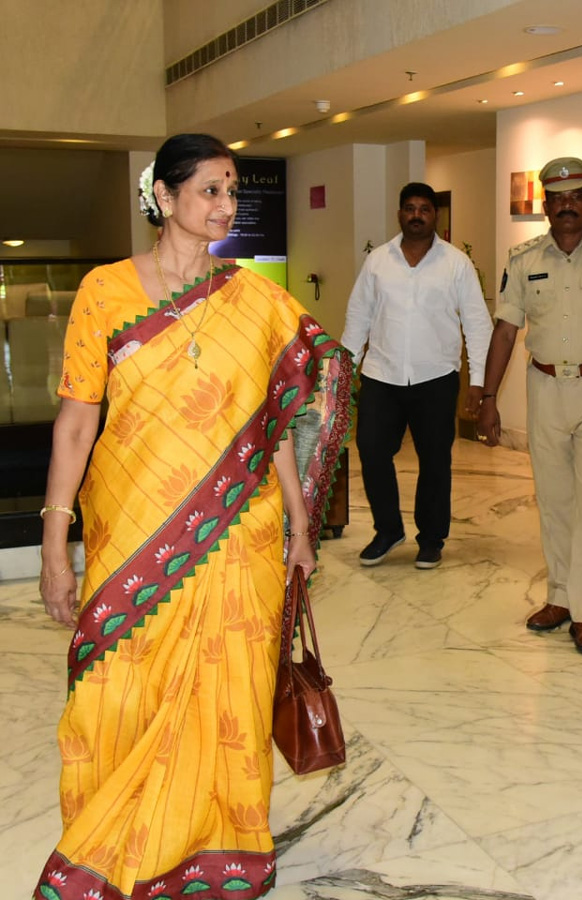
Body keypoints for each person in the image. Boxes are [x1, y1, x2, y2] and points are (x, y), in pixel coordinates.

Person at [33, 133, 352, 900]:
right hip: (132, 524)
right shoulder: (105, 292)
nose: (226, 206)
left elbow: (276, 418)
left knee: (230, 689)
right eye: (210, 190)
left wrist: (302, 524)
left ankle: (220, 847)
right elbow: (76, 425)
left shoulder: (253, 299)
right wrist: (55, 540)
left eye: (232, 191)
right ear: (165, 198)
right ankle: (115, 835)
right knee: (119, 689)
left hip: (241, 528)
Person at [477, 157, 582, 656]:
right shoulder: (523, 259)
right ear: (546, 206)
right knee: (554, 500)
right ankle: (561, 598)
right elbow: (506, 329)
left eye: (576, 197)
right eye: (558, 199)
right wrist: (487, 399)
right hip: (544, 388)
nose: (567, 207)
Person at [342, 182, 492, 570]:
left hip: (436, 378)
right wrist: (344, 369)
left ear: (434, 215)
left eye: (424, 209)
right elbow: (358, 316)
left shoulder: (456, 264)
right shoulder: (378, 261)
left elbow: (477, 323)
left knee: (435, 461)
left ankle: (431, 539)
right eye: (409, 208)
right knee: (372, 452)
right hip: (381, 376)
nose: (416, 215)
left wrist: (478, 381)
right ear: (399, 214)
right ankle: (388, 530)